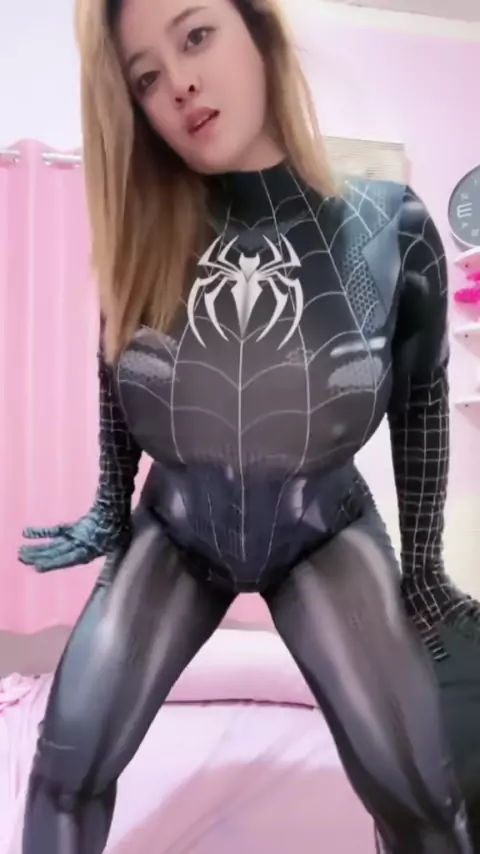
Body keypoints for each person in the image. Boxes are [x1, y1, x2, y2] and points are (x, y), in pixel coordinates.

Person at [17, 0, 477, 850]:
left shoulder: (391, 224)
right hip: (177, 529)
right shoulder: (145, 239)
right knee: (63, 770)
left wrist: (421, 569)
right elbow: (118, 373)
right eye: (146, 77)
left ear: (260, 32)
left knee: (421, 796)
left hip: (322, 530)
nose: (180, 84)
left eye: (196, 35)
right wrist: (109, 506)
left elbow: (419, 400)